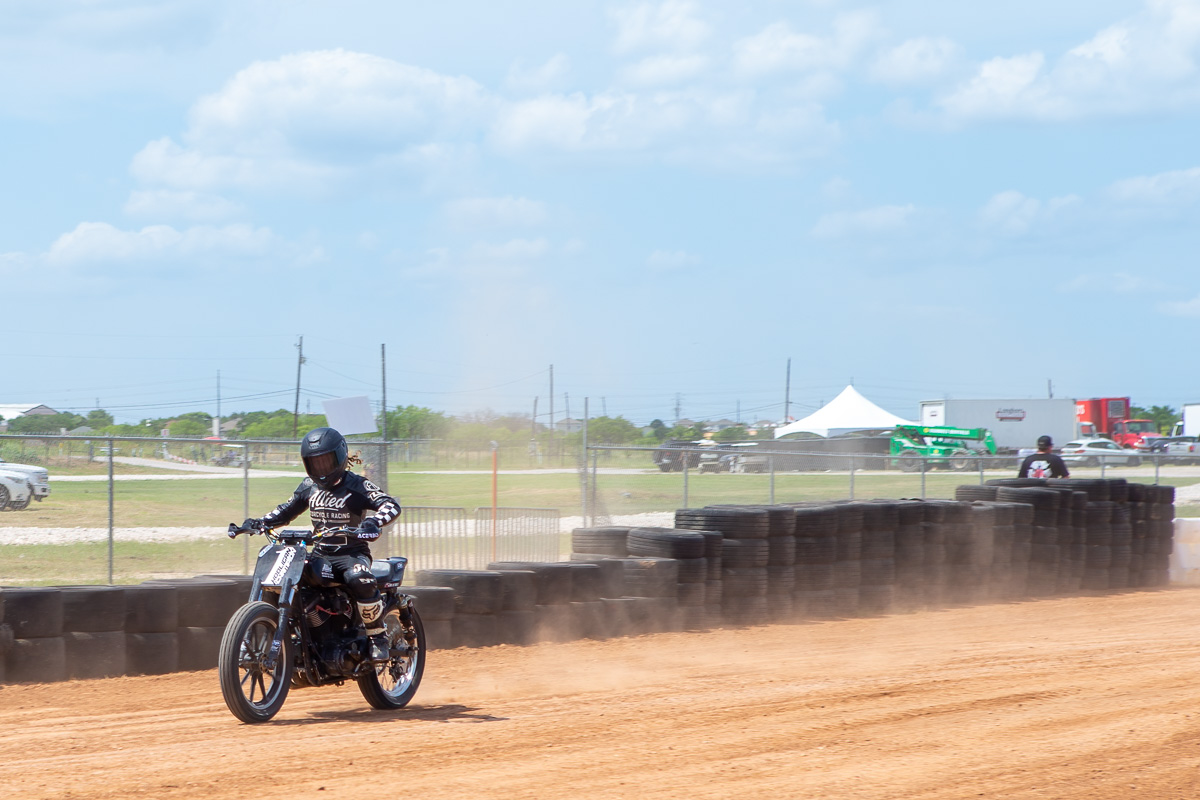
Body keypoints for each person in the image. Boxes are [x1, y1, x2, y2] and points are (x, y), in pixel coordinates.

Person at [239, 427, 401, 662]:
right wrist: (259, 522)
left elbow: (390, 504)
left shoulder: (357, 485)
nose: (321, 468)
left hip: (352, 554)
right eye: (315, 463)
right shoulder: (309, 487)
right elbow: (286, 510)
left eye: (326, 461)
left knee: (360, 578)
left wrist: (373, 522)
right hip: (321, 553)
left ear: (341, 457)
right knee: (289, 575)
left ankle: (377, 637)